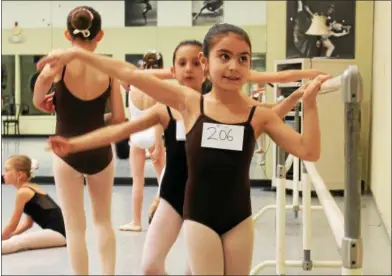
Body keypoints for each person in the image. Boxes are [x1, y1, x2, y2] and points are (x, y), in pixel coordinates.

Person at [37, 23, 329, 274]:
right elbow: (131, 76)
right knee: (154, 265)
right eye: (224, 56)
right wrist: (77, 54)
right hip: (198, 214)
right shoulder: (188, 104)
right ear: (207, 61)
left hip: (239, 216)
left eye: (243, 59)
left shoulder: (258, 114)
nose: (233, 66)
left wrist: (311, 104)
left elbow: (308, 151)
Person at [33, 6, 125, 275]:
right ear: (100, 35)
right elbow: (119, 117)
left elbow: (38, 98)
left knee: (74, 227)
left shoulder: (58, 65)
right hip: (99, 151)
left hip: (65, 153)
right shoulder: (109, 69)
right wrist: (96, 122)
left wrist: (48, 103)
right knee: (103, 221)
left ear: (66, 34)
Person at [119, 50, 166, 232]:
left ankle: (136, 222)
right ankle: (162, 214)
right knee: (164, 179)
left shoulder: (132, 86)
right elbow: (158, 118)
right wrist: (158, 143)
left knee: (137, 181)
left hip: (136, 136)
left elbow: (122, 78)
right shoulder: (158, 87)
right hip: (153, 135)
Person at [2, 155, 66, 255]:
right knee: (15, 239)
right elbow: (28, 224)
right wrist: (11, 235)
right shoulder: (31, 187)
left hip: (58, 234)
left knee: (17, 242)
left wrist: (5, 236)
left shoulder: (23, 192)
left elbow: (11, 226)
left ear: (20, 175)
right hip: (59, 233)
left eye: (7, 170)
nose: (3, 174)